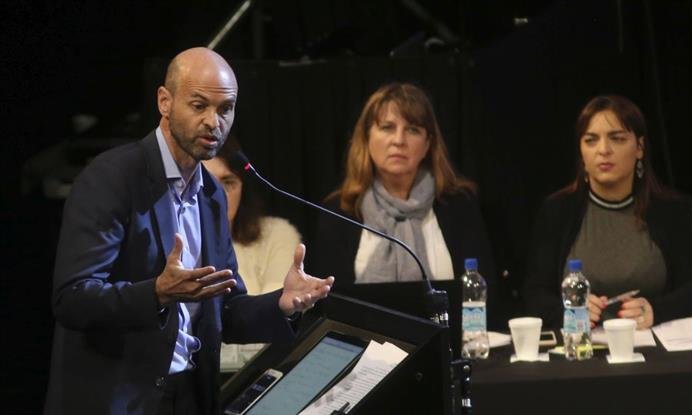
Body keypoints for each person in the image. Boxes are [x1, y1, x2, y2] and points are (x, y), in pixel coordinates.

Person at [45, 47, 333, 415]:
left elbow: (224, 309)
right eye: (199, 106)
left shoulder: (212, 194)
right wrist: (157, 294)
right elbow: (72, 299)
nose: (214, 121)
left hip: (191, 397)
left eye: (225, 109)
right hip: (118, 400)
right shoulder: (113, 178)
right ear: (164, 102)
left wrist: (280, 303)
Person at [524, 95, 692, 330]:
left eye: (617, 138)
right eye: (591, 140)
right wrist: (568, 311)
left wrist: (657, 311)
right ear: (581, 152)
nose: (603, 150)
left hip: (652, 343)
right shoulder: (557, 211)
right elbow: (535, 296)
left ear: (639, 148)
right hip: (582, 344)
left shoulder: (672, 211)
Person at [311, 82, 497, 320]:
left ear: (428, 144)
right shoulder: (339, 211)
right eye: (387, 127)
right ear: (367, 137)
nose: (399, 140)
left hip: (449, 339)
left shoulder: (458, 205)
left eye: (413, 130)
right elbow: (329, 307)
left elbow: (484, 297)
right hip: (365, 342)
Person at [202, 136, 302, 369]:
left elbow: (271, 336)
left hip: (259, 373)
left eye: (229, 183)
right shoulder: (173, 243)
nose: (219, 195)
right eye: (207, 183)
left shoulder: (276, 234)